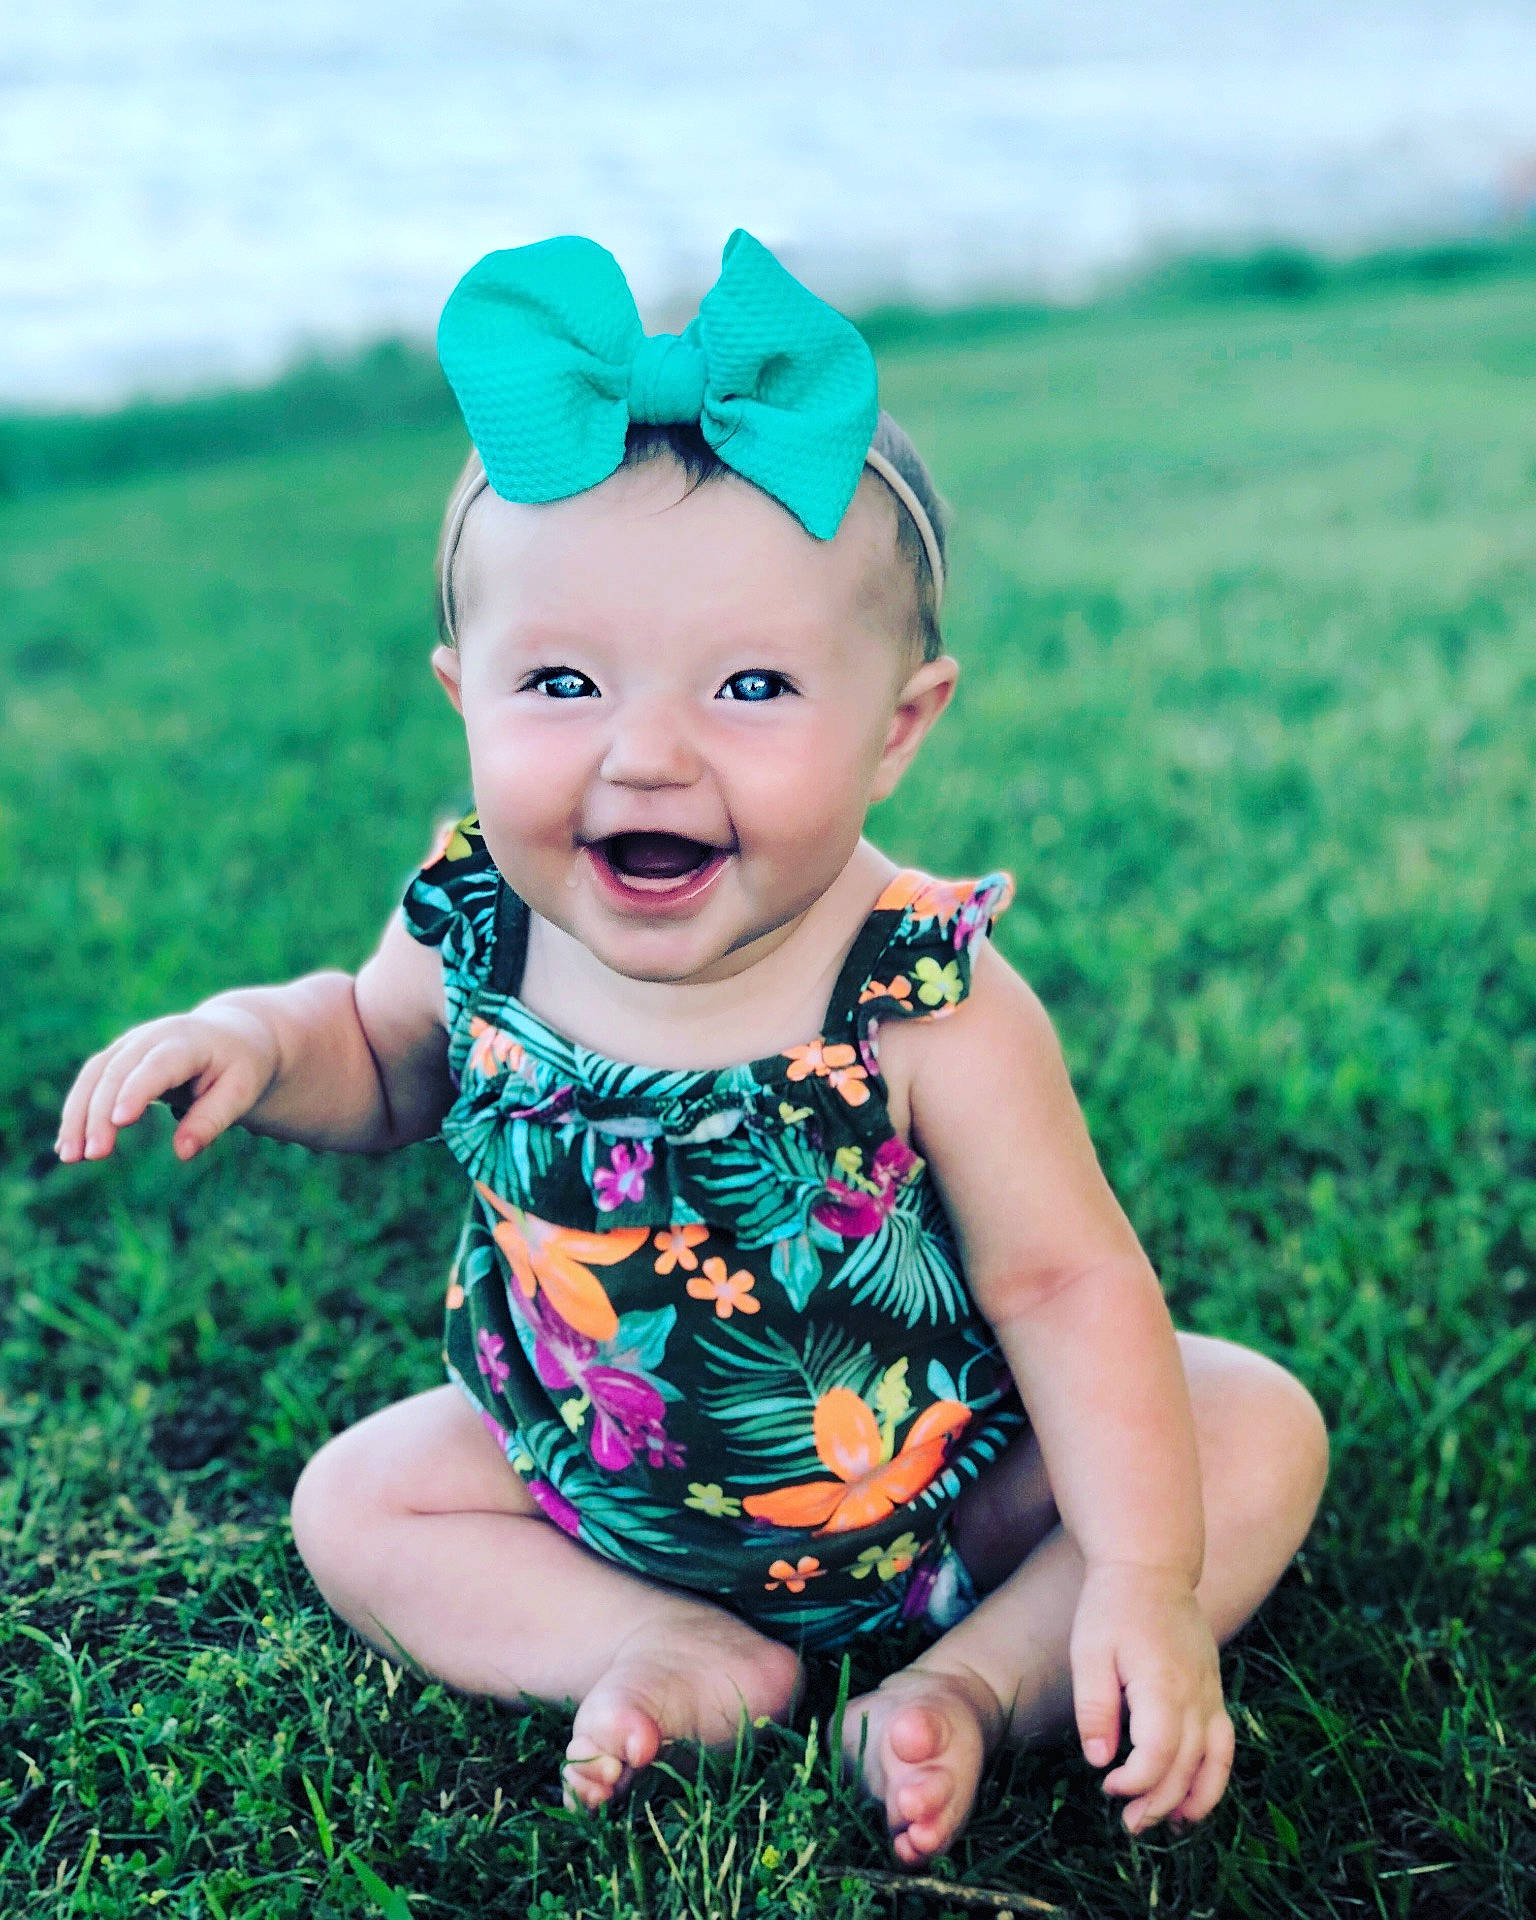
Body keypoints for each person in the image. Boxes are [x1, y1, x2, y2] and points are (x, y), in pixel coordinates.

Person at [55, 230, 1328, 1868]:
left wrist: (1147, 1576)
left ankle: (969, 1679)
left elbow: (1067, 1288)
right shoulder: (478, 923)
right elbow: (375, 1059)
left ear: (898, 726)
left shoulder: (922, 991)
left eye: (749, 685)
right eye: (565, 681)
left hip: (943, 1478)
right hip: (587, 1473)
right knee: (353, 1500)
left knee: (1245, 1427)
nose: (645, 754)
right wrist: (249, 1039)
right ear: (463, 696)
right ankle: (659, 1652)